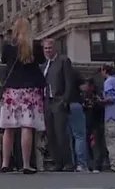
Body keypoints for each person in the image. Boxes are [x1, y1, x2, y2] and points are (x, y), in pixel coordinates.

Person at [0, 18, 45, 174]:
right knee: (27, 126)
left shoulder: (8, 47)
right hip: (30, 90)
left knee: (8, 127)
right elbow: (42, 61)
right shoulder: (35, 46)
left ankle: (5, 163)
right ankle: (26, 164)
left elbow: (5, 61)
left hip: (11, 90)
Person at [41, 38, 77, 172]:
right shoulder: (44, 64)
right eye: (45, 48)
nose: (48, 50)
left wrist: (65, 99)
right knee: (50, 133)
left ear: (55, 48)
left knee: (61, 133)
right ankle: (57, 162)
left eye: (50, 48)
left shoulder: (63, 61)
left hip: (58, 100)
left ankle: (68, 162)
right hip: (46, 101)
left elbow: (69, 82)